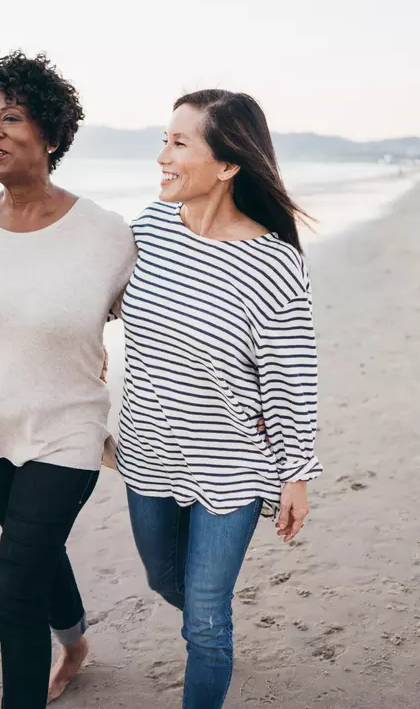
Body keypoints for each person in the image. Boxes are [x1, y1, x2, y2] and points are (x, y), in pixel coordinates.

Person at [0, 46, 136, 708]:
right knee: (38, 555)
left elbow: (157, 327)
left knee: (15, 582)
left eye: (11, 117)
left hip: (67, 432)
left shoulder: (106, 233)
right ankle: (75, 640)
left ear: (50, 134)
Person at [117, 90, 321, 709]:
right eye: (164, 139)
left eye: (180, 143)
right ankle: (213, 637)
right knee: (163, 579)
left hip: (232, 465)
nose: (163, 156)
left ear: (228, 165)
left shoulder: (273, 263)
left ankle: (212, 647)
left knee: (206, 618)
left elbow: (293, 380)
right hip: (147, 452)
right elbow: (97, 299)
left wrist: (297, 475)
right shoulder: (147, 229)